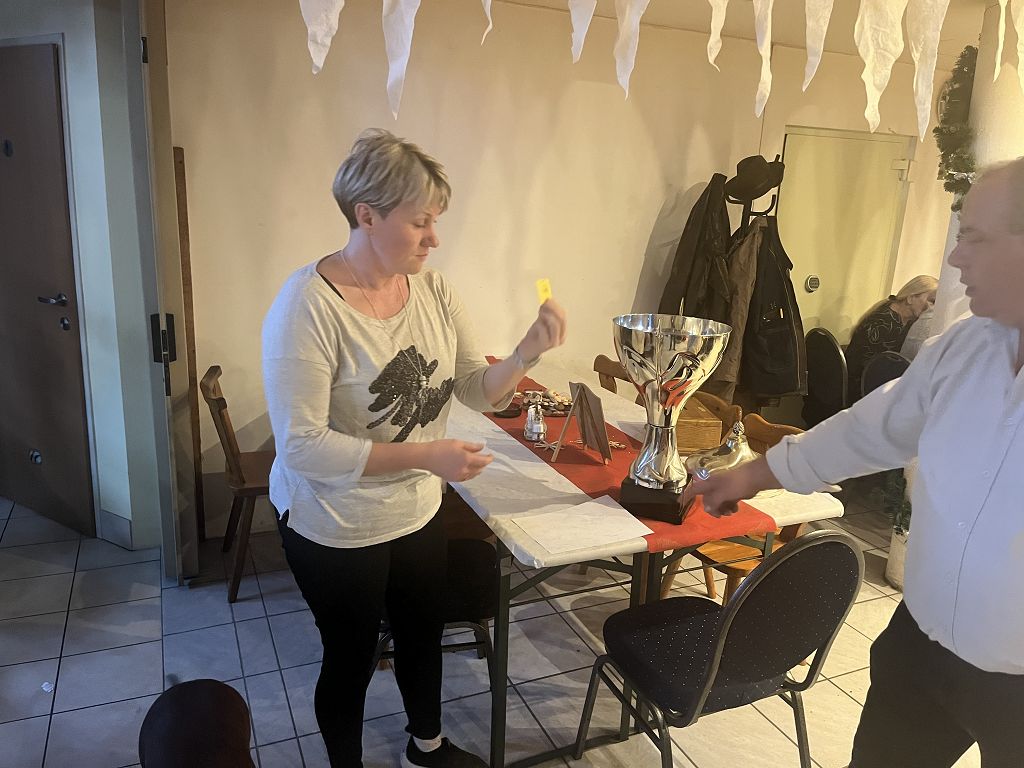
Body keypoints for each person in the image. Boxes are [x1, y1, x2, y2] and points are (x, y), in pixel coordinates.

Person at [679, 160, 1024, 767]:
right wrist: (750, 475)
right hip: (922, 644)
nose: (956, 258)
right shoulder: (967, 346)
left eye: (975, 237)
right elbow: (869, 431)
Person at [262, 129, 567, 768]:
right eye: (420, 222)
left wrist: (525, 353)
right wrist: (428, 457)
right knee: (350, 655)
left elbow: (474, 389)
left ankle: (425, 747)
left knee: (421, 633)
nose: (434, 238)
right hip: (335, 521)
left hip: (416, 509)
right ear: (366, 215)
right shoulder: (307, 307)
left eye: (436, 221)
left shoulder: (433, 291)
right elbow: (302, 446)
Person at [845, 275, 937, 400]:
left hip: (866, 383)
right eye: (931, 301)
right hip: (861, 390)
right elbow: (879, 372)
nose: (932, 308)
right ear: (910, 298)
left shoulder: (895, 312)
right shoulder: (886, 324)